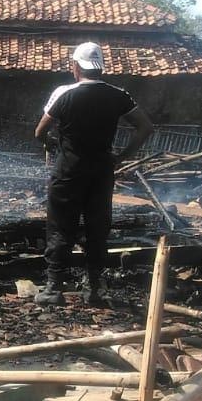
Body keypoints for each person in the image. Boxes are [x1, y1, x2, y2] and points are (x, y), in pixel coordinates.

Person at [33, 42, 153, 306]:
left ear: (75, 66)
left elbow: (40, 131)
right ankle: (95, 289)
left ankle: (54, 288)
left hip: (68, 173)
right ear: (100, 67)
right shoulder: (118, 95)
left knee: (61, 228)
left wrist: (53, 145)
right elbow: (144, 126)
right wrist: (122, 156)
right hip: (101, 173)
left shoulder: (64, 93)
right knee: (97, 229)